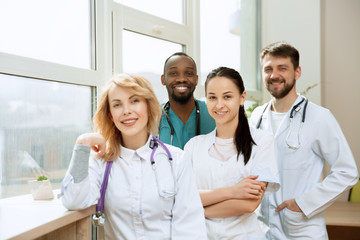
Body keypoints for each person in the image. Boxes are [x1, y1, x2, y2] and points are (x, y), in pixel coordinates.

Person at [60, 73, 207, 239]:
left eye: (134, 101)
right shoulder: (102, 162)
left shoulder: (177, 160)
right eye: (117, 105)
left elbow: (191, 229)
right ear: (110, 114)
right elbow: (73, 200)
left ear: (148, 105)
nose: (127, 111)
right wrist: (82, 144)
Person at [249, 41, 359, 239]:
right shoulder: (257, 116)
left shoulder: (319, 117)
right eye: (268, 69)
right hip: (262, 228)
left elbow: (347, 172)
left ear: (297, 72)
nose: (274, 75)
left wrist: (302, 204)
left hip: (300, 229)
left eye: (282, 68)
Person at [184, 67, 280, 239]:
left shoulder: (263, 142)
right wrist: (234, 191)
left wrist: (198, 209)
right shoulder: (193, 146)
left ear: (242, 98)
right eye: (212, 97)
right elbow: (183, 198)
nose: (219, 105)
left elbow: (249, 204)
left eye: (227, 96)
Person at [159, 52, 215, 149]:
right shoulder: (153, 117)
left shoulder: (213, 114)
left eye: (188, 73)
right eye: (173, 73)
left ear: (196, 79)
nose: (181, 79)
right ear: (163, 79)